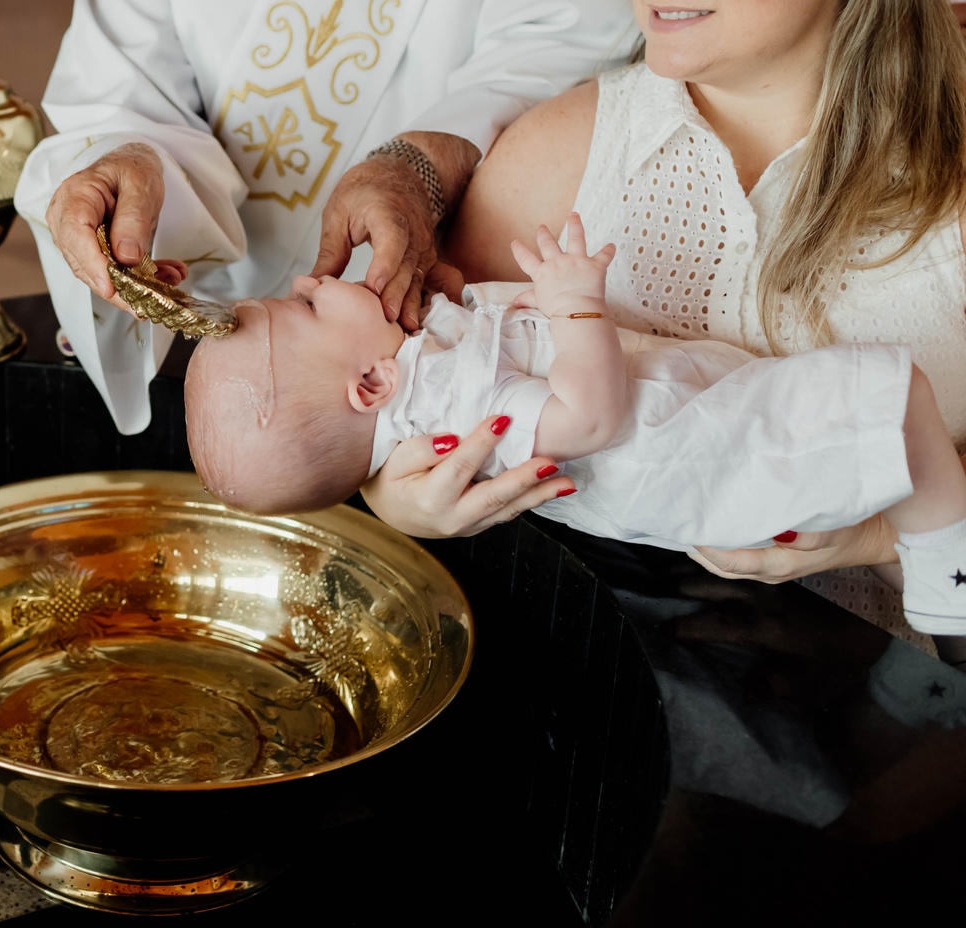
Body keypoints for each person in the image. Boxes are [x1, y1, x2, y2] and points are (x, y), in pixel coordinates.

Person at [359, 0, 966, 657]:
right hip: (573, 670)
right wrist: (392, 494)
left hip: (876, 703)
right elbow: (408, 388)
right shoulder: (556, 151)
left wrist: (879, 538)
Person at [183, 213, 966, 635]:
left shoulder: (428, 378)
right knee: (897, 397)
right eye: (305, 306)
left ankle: (939, 570)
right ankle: (948, 571)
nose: (308, 278)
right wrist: (576, 306)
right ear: (370, 384)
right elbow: (589, 417)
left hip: (701, 437)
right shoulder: (450, 396)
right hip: (701, 447)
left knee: (892, 417)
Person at [15, 0, 636, 435]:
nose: (306, 282)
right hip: (203, 346)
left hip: (438, 303)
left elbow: (559, 36)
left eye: (306, 298)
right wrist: (126, 160)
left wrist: (418, 164)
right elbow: (119, 83)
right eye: (308, 298)